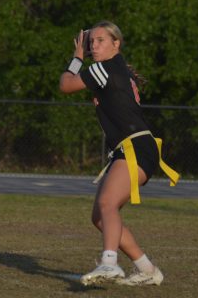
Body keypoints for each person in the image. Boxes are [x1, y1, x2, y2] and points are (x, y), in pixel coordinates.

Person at [59, 21, 179, 286]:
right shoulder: (116, 69)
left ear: (117, 44)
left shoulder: (105, 67)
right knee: (100, 217)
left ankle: (110, 263)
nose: (94, 45)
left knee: (107, 205)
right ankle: (147, 269)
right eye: (92, 42)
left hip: (134, 147)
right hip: (132, 148)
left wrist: (77, 58)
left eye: (101, 40)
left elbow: (66, 85)